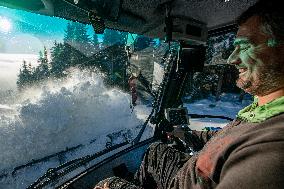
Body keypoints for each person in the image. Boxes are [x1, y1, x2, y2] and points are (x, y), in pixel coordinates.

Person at [95, 0, 284, 188]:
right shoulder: (262, 111)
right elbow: (230, 138)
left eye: (245, 46)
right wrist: (186, 135)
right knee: (156, 152)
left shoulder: (271, 152)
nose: (232, 59)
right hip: (190, 175)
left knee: (108, 184)